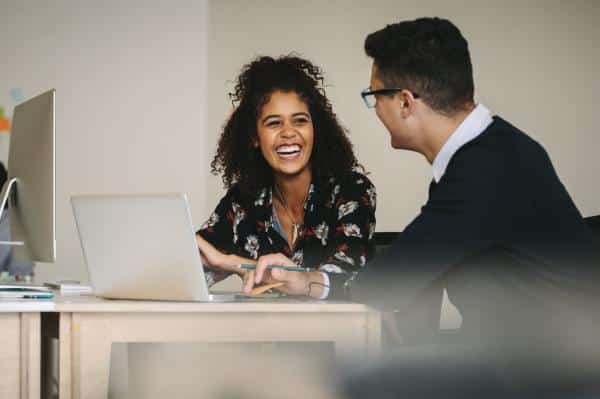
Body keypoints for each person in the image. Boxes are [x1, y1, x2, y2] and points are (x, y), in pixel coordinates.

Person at [247, 18, 600, 347]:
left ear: (404, 102)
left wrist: (306, 282)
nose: (377, 111)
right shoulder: (494, 153)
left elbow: (393, 278)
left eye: (374, 97)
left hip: (557, 372)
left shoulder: (485, 169)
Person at [196, 55, 376, 295]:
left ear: (315, 129)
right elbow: (191, 268)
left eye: (300, 121)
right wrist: (225, 263)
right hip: (267, 331)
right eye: (273, 123)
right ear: (254, 138)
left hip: (340, 331)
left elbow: (344, 278)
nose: (288, 133)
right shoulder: (244, 201)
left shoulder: (351, 190)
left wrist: (230, 263)